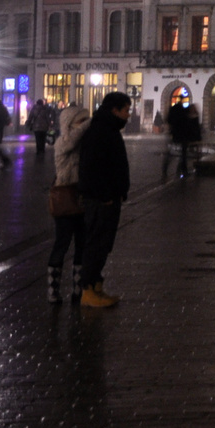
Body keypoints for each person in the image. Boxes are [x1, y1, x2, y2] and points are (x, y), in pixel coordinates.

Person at [76, 93, 132, 308]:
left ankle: (96, 286)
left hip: (108, 197)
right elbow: (92, 168)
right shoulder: (101, 131)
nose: (128, 115)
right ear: (114, 110)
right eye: (125, 110)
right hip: (101, 199)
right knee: (96, 244)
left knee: (103, 245)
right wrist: (105, 196)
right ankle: (87, 290)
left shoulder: (108, 129)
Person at [46, 105, 91, 303]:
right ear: (70, 124)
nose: (84, 125)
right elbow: (71, 141)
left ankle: (78, 289)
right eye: (81, 121)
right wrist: (91, 122)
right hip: (65, 197)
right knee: (62, 244)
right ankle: (53, 290)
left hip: (82, 198)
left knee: (82, 244)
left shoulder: (86, 143)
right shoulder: (62, 142)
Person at [168, 97, 202, 177]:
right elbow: (190, 127)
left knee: (183, 154)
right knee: (184, 154)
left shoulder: (182, 111)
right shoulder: (184, 113)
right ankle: (183, 169)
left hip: (184, 136)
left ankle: (182, 169)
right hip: (184, 136)